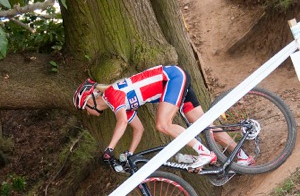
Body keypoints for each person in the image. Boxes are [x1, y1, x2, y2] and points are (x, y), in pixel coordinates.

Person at [73, 65, 254, 170]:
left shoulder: (112, 94)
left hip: (172, 79)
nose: (87, 113)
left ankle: (205, 152)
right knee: (207, 128)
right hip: (172, 83)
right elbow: (138, 128)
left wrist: (109, 149)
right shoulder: (119, 107)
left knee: (163, 124)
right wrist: (129, 153)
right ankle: (243, 156)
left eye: (84, 109)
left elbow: (121, 122)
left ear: (91, 101)